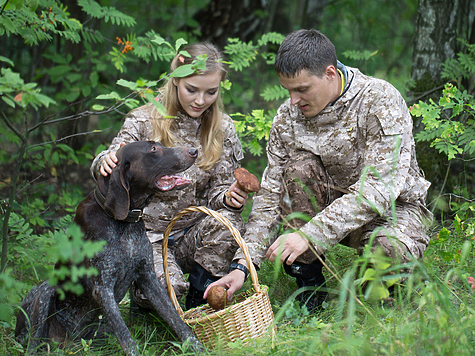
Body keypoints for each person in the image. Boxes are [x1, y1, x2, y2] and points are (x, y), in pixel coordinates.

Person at [204, 29, 433, 311]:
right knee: (298, 171)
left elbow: (379, 190)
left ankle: (389, 279)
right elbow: (270, 196)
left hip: (394, 210)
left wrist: (311, 234)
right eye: (288, 90)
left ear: (330, 73)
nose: (293, 100)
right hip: (329, 209)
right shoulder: (288, 117)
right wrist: (243, 263)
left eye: (302, 89)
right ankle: (309, 288)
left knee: (384, 265)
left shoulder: (379, 100)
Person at [91, 42, 250, 310]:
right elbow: (112, 160)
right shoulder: (143, 121)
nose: (201, 100)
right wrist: (103, 162)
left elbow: (218, 191)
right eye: (192, 90)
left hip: (191, 233)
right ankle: (150, 298)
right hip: (146, 236)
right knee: (166, 294)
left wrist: (228, 197)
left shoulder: (221, 128)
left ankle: (200, 303)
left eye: (211, 92)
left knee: (226, 222)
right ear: (176, 80)